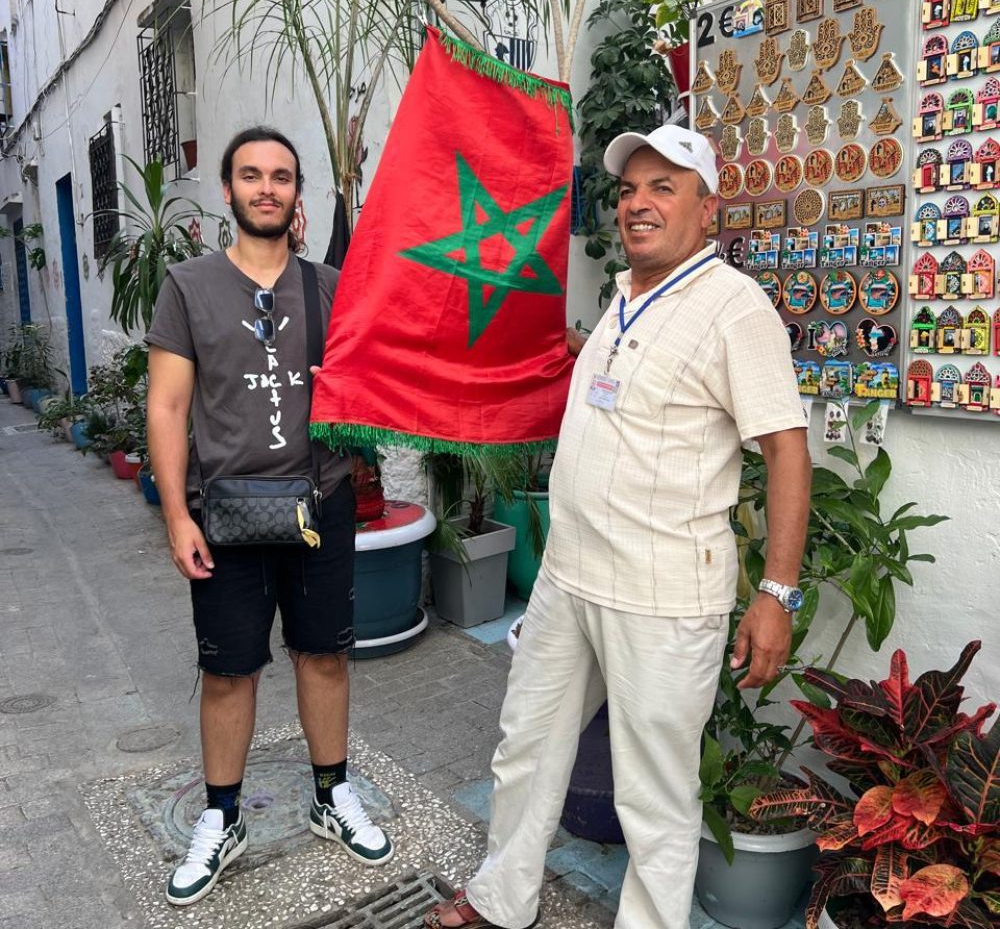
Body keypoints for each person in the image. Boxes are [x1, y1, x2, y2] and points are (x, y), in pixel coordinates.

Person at [425, 125, 811, 929]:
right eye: (629, 189)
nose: (638, 203)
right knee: (526, 746)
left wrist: (776, 593)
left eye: (664, 188)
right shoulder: (626, 299)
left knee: (654, 793)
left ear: (708, 210)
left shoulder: (736, 309)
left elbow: (785, 449)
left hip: (663, 595)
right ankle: (502, 899)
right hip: (570, 580)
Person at [146, 126, 392, 907]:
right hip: (226, 512)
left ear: (297, 195)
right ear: (227, 190)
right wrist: (176, 518)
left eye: (280, 177)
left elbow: (370, 392)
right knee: (227, 670)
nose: (266, 188)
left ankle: (331, 794)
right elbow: (168, 404)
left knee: (325, 656)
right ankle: (222, 818)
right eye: (250, 175)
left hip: (319, 505)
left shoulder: (327, 286)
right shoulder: (188, 286)